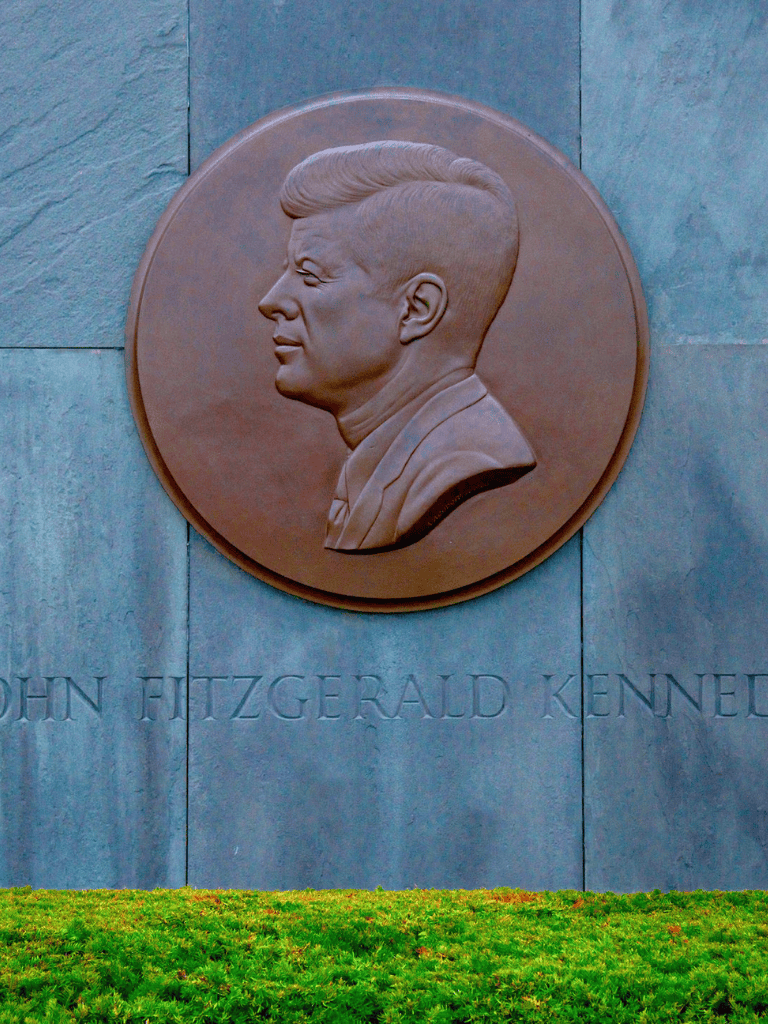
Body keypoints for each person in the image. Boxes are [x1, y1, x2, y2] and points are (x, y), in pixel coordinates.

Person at [258, 140, 535, 552]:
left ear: (416, 309)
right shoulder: (384, 463)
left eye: (310, 276)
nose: (271, 302)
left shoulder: (458, 467)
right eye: (288, 272)